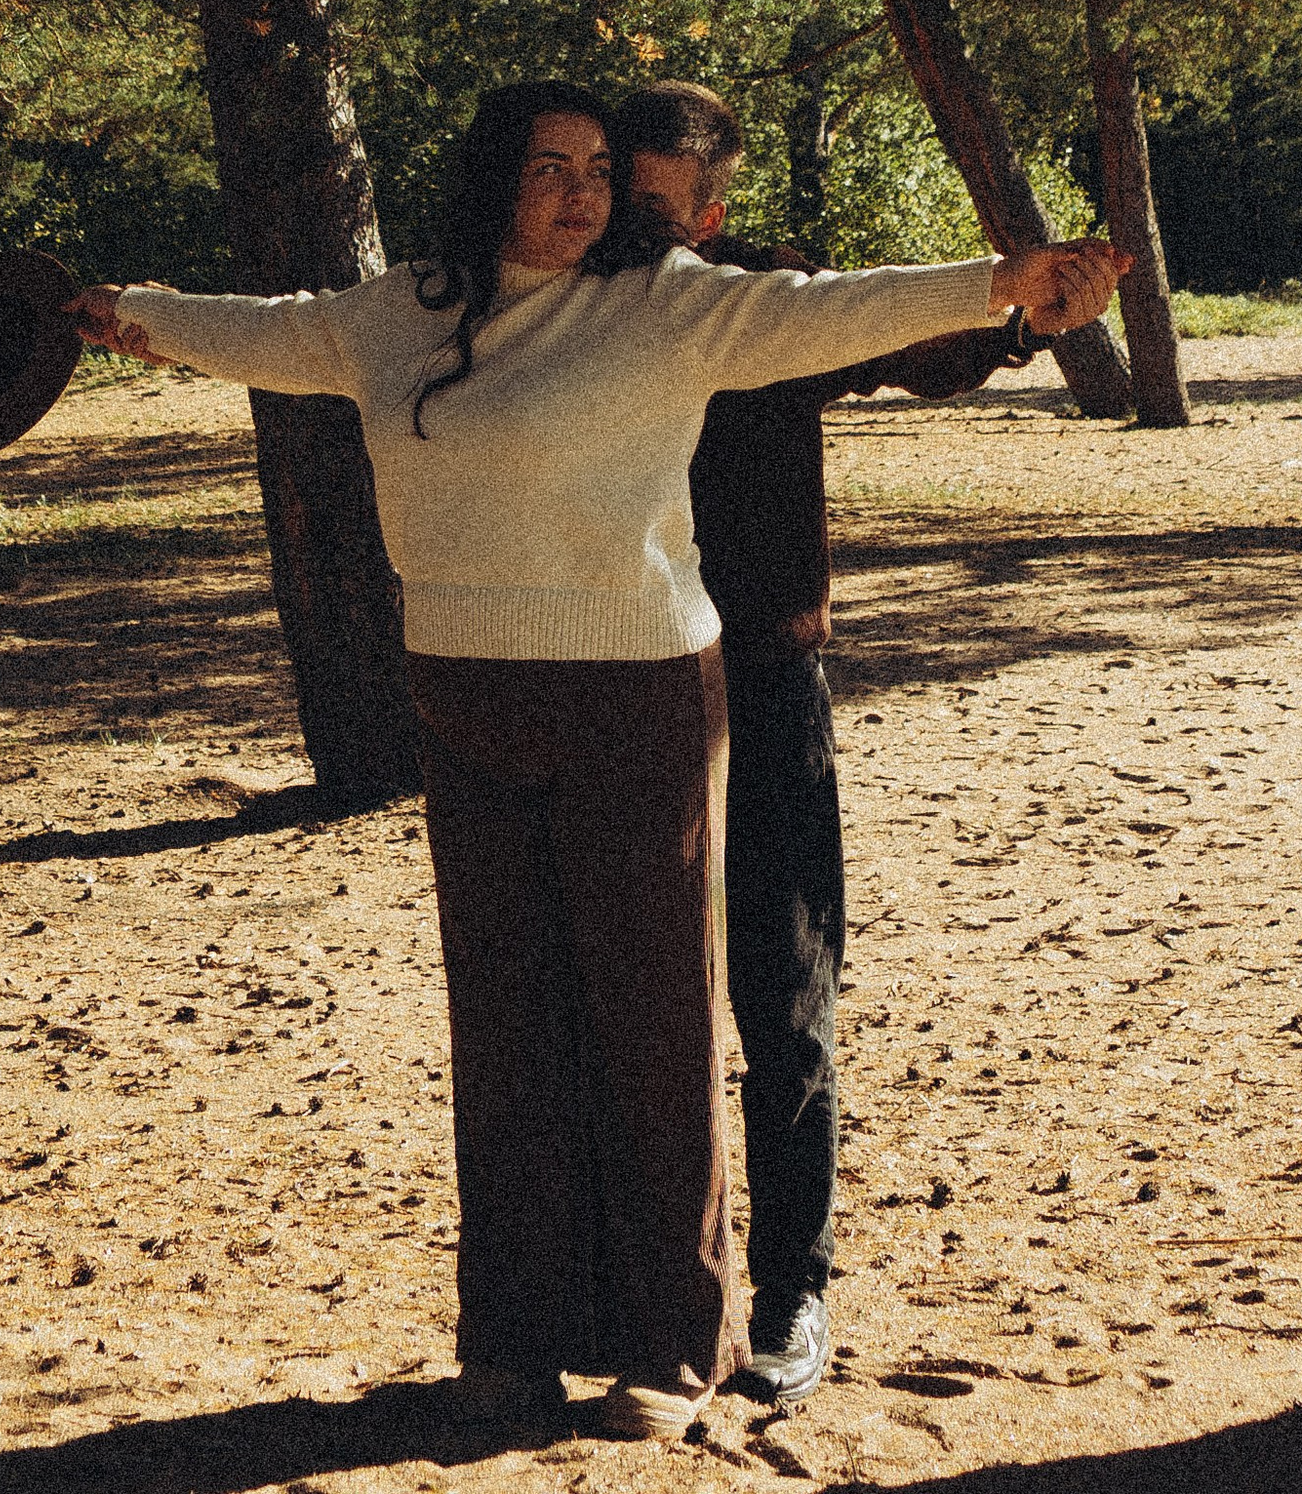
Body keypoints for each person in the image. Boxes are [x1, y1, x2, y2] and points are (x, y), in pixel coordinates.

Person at [72, 81, 1125, 1443]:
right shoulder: (398, 312)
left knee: (653, 1025)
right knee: (506, 1030)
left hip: (637, 692)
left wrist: (1002, 285)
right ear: (490, 180)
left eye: (593, 171)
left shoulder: (666, 303)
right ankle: (511, 1343)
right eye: (547, 168)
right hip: (462, 693)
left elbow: (836, 311)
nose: (579, 195)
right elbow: (266, 332)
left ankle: (676, 1345)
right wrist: (128, 313)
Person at [611, 81, 1035, 1412]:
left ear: (709, 214)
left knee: (782, 993)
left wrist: (1013, 316)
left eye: (656, 207)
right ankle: (651, 1294)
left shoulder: (761, 301)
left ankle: (794, 1288)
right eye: (614, 193)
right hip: (614, 680)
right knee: (630, 1003)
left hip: (764, 681)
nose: (624, 227)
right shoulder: (548, 308)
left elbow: (903, 335)